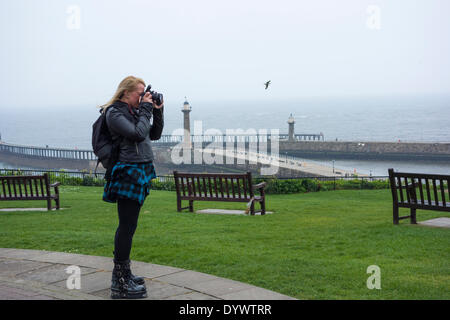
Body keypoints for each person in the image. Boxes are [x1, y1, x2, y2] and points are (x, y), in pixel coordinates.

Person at [99, 75, 164, 299]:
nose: (143, 95)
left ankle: (124, 274)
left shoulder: (135, 111)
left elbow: (153, 134)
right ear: (125, 93)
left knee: (130, 225)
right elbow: (137, 135)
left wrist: (156, 110)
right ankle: (119, 281)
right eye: (140, 92)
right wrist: (145, 109)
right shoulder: (115, 113)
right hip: (128, 171)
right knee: (126, 226)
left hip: (141, 169)